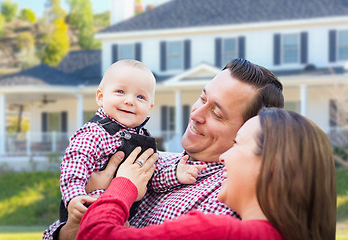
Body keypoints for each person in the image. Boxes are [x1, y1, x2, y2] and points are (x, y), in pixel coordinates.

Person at [51, 58, 285, 239]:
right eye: (203, 99)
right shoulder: (153, 160)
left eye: (217, 113)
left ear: (250, 130)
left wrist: (118, 188)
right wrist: (70, 227)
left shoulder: (227, 197)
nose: (195, 114)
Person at [76, 108, 337, 240]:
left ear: (271, 165)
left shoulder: (216, 231)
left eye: (237, 144)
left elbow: (95, 235)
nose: (224, 157)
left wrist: (123, 184)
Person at [42, 59, 205, 240]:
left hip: (120, 219)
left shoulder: (144, 140)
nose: (129, 101)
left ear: (149, 108)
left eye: (140, 97)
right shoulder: (95, 132)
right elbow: (75, 165)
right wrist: (74, 196)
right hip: (87, 209)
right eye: (120, 92)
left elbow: (150, 176)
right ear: (101, 97)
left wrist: (175, 174)